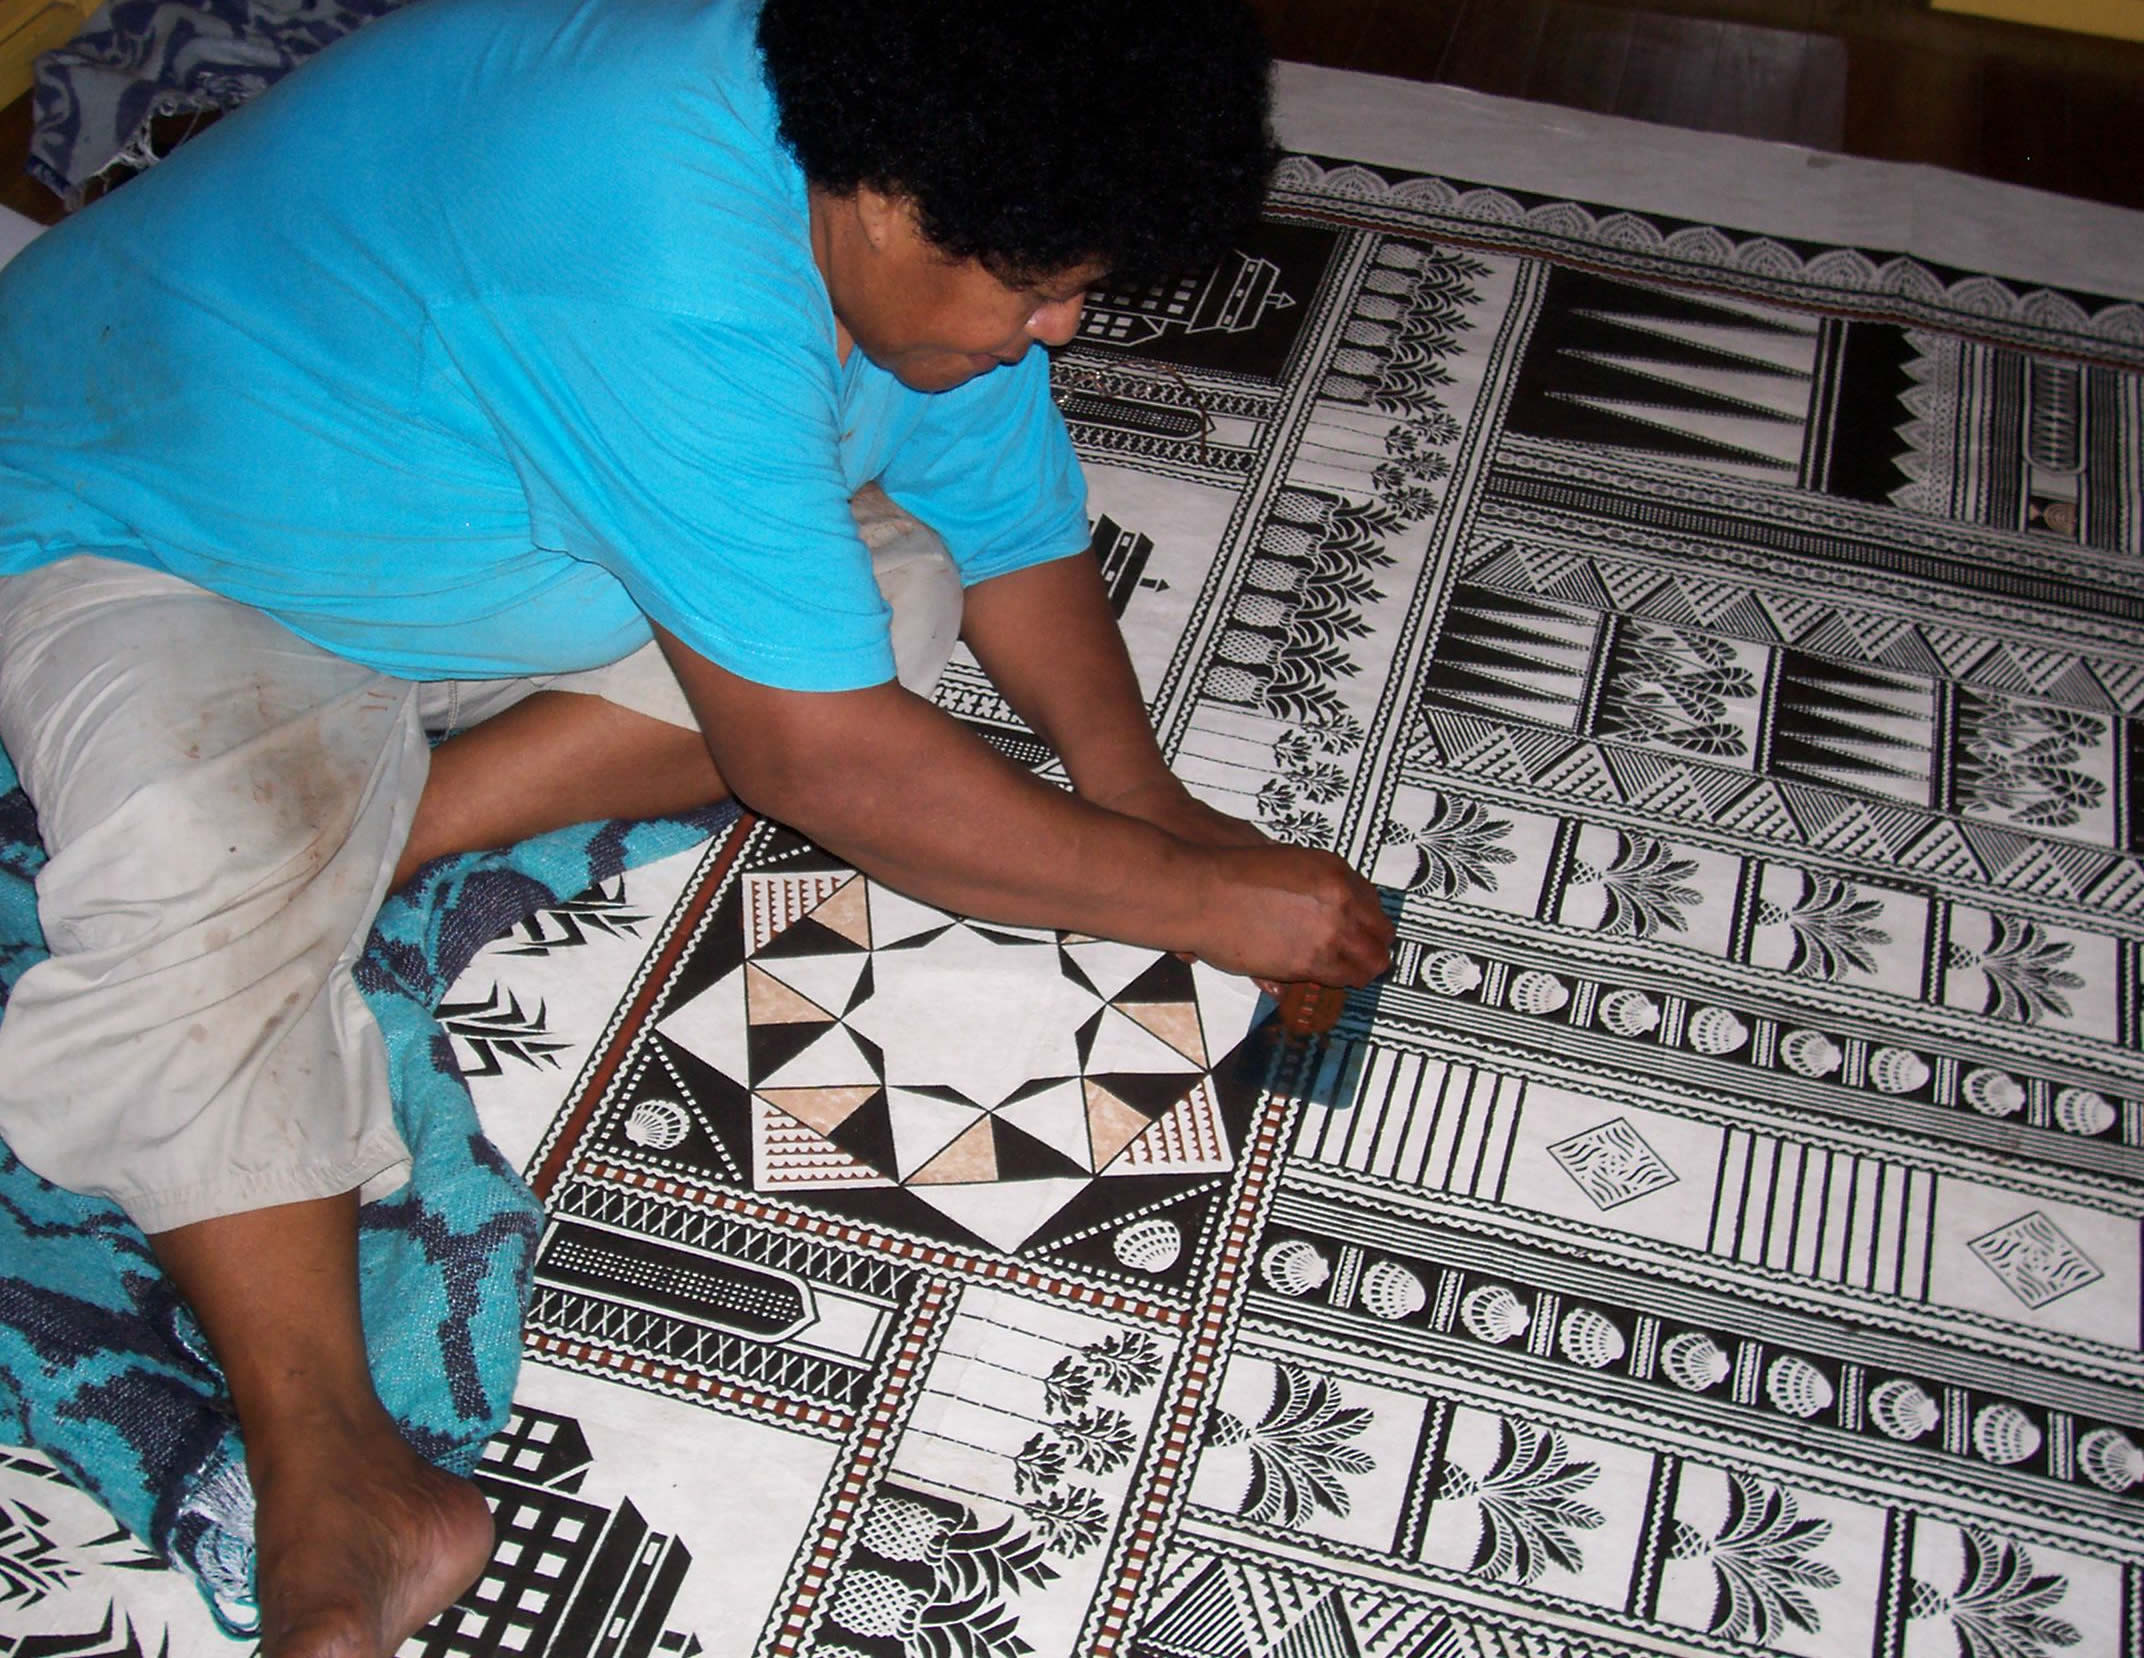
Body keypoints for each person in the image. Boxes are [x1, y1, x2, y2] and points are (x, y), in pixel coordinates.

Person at [0, 0, 1393, 1650]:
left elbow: (998, 511)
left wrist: (1152, 807)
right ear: (880, 205)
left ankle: (377, 838)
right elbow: (827, 768)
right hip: (161, 530)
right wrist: (1191, 902)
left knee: (895, 594)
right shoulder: (652, 232)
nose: (1062, 332)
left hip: (484, 504)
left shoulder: (896, 137)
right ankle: (341, 1469)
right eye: (1042, 290)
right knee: (196, 864)